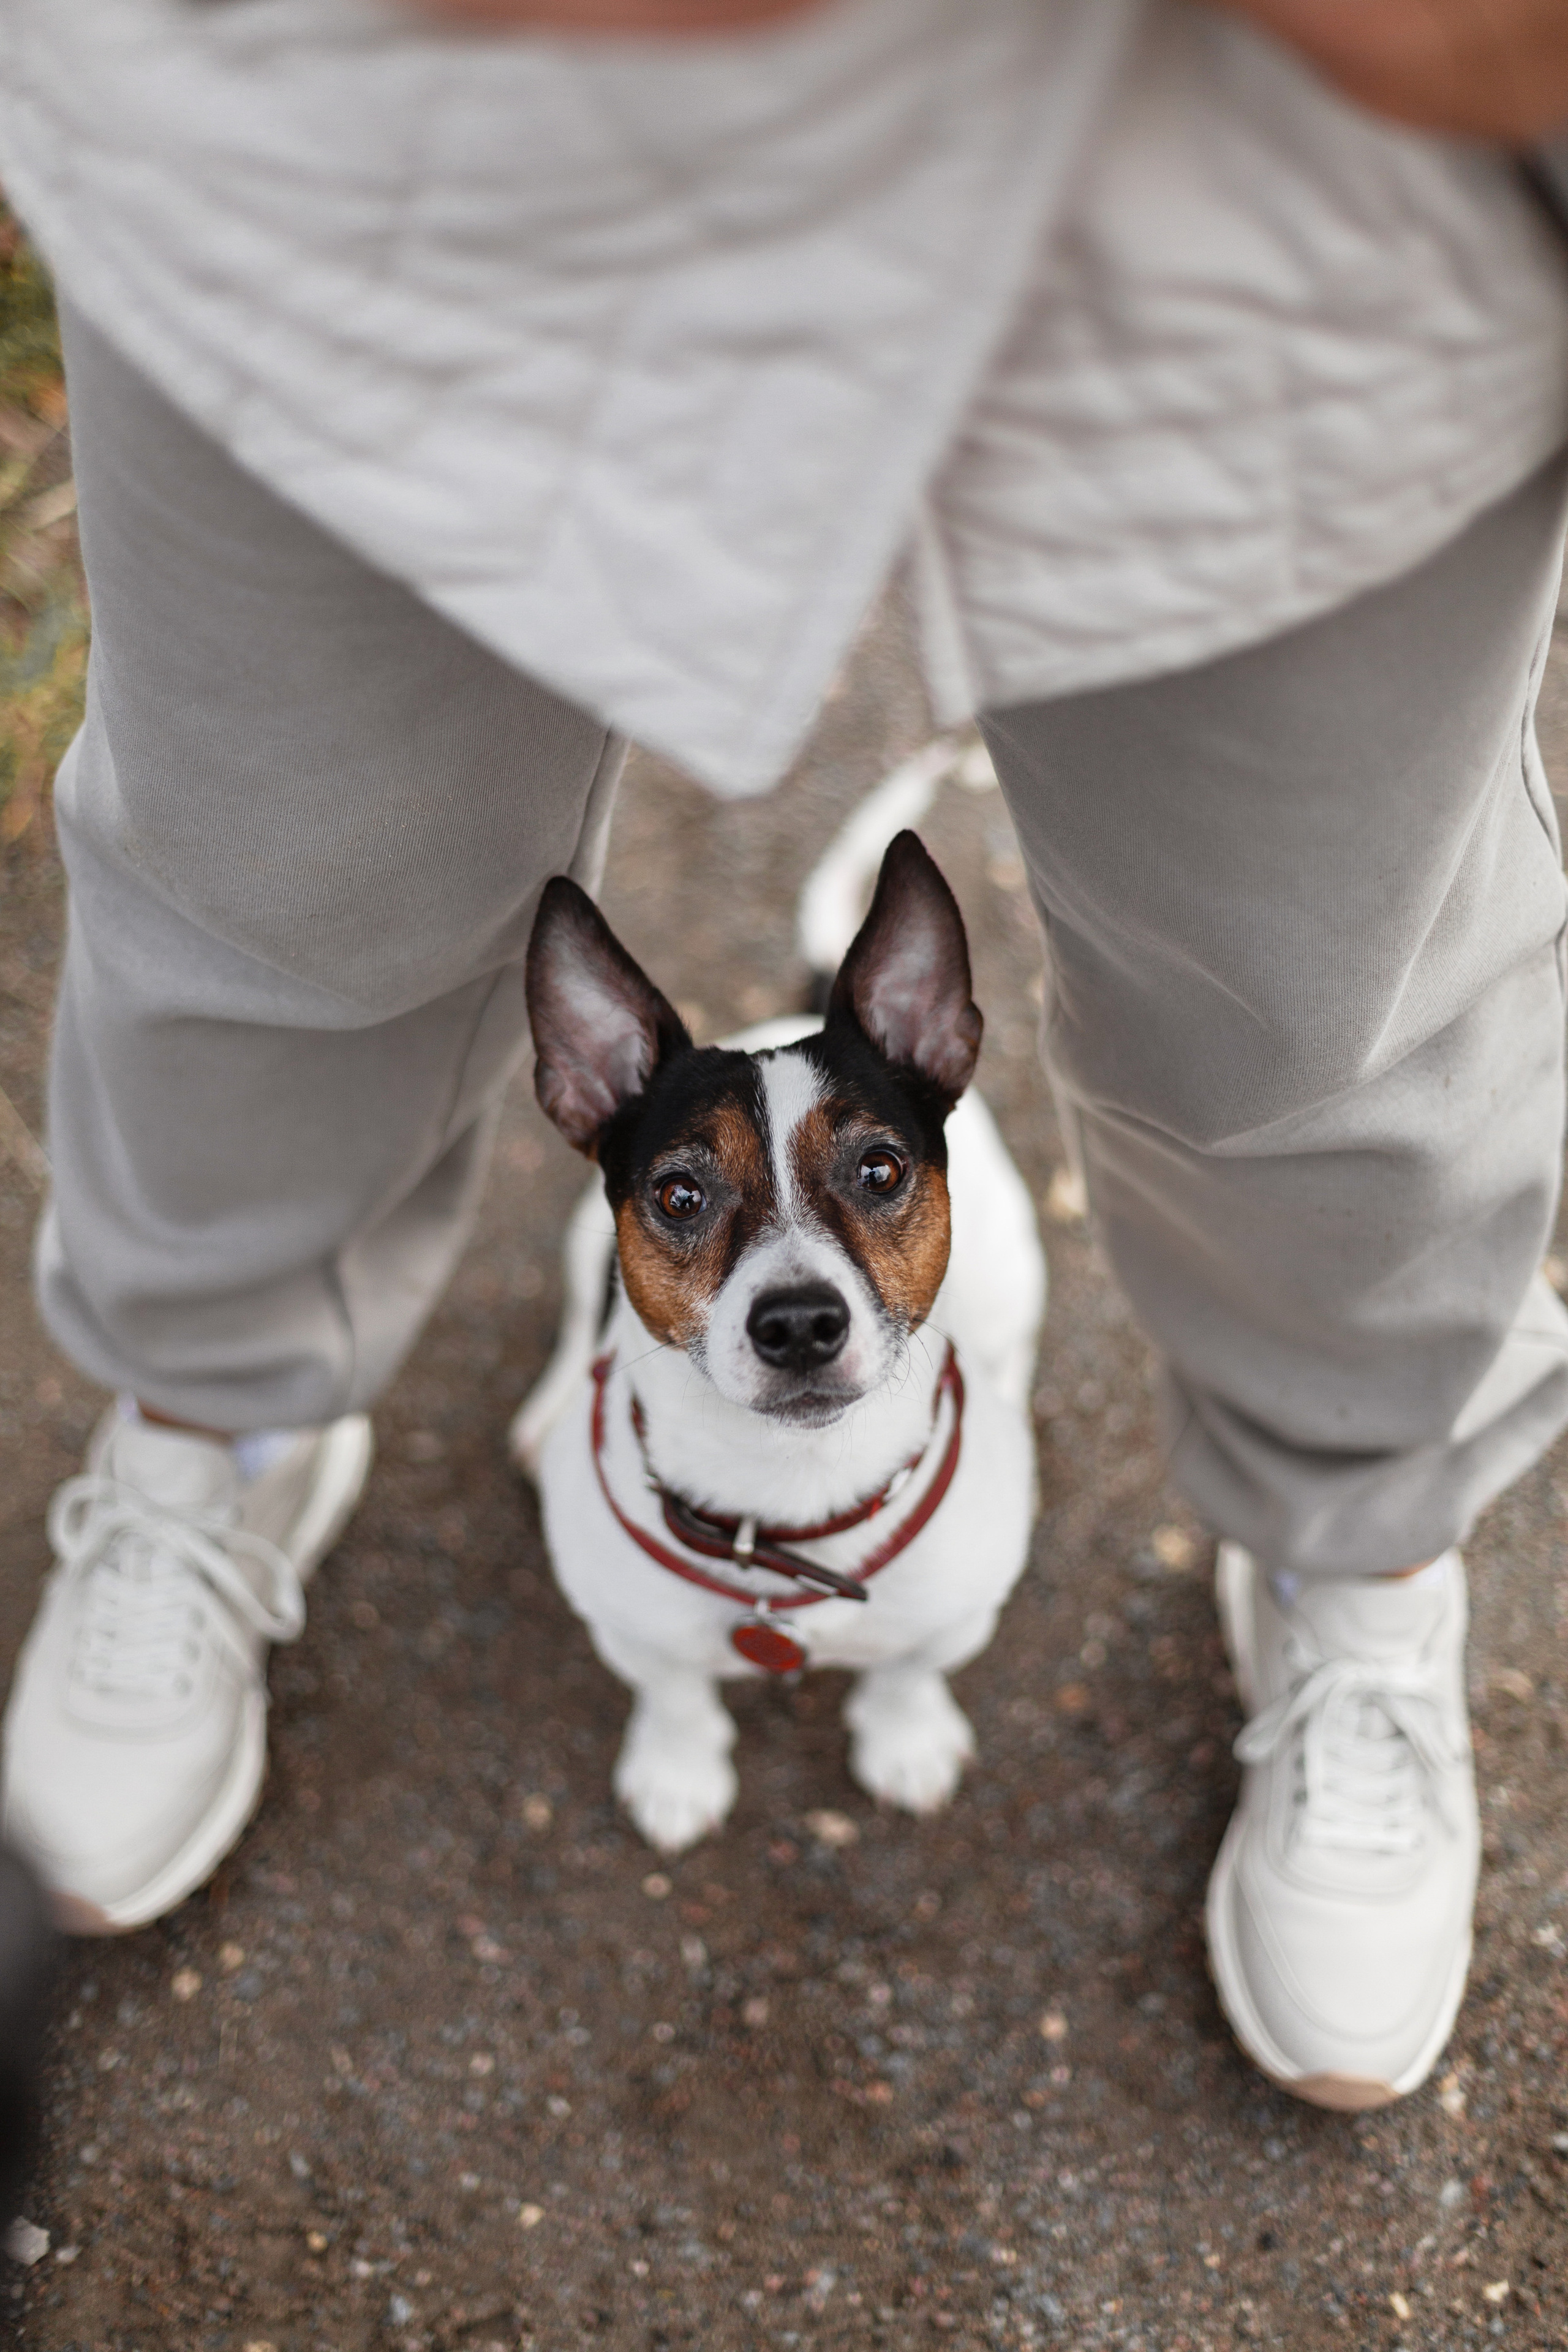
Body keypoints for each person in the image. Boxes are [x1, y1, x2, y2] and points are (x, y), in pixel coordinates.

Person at [1, 0, 1567, 2111]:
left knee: (1317, 977)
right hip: (369, 123)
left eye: (861, 1188)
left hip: (1281, 174)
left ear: (933, 1054)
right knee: (286, 863)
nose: (794, 1270)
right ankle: (227, 1414)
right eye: (695, 1211)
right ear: (603, 1123)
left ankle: (1354, 1535)